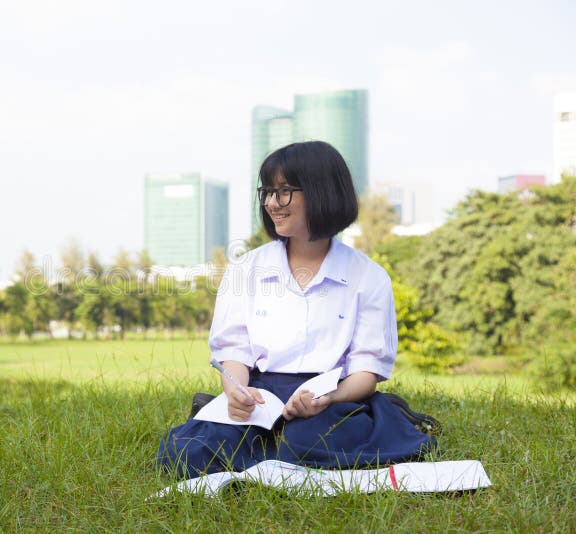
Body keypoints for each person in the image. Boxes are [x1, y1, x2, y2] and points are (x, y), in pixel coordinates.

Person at [157, 141, 435, 479]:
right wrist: (236, 391)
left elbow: (366, 370)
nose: (273, 203)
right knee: (188, 452)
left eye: (285, 192)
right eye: (268, 192)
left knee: (304, 444)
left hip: (331, 397)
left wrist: (328, 398)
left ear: (323, 193)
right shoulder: (246, 269)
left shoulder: (369, 277)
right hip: (260, 394)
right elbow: (234, 350)